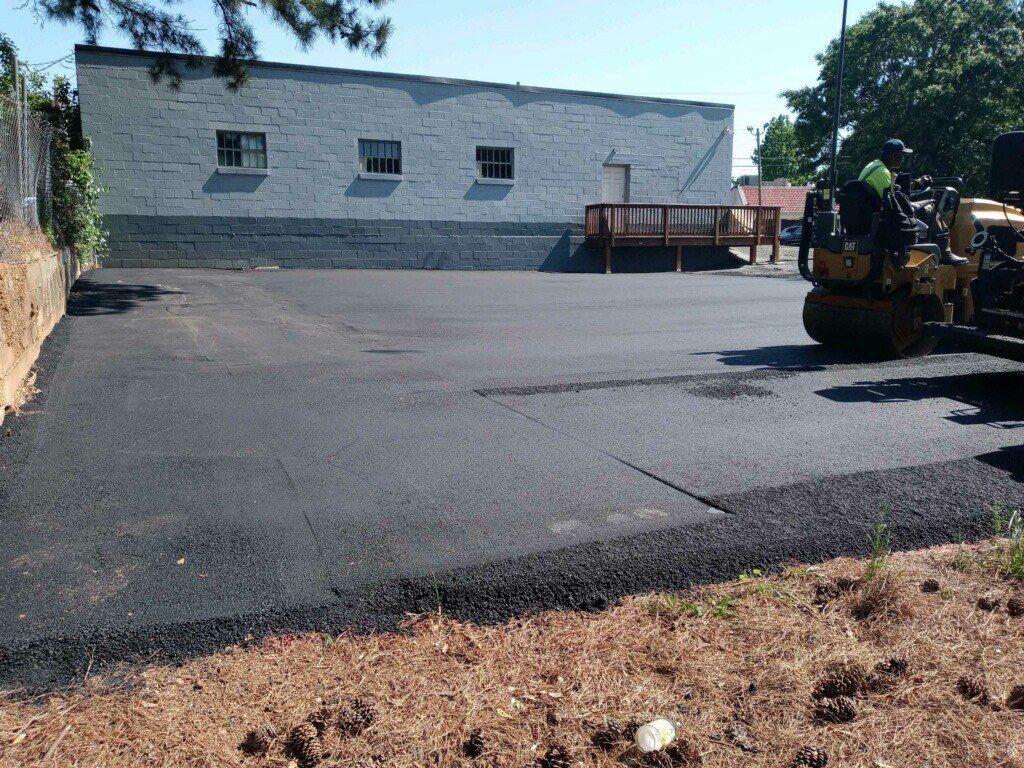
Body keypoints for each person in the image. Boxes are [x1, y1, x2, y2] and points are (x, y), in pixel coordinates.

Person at [859, 139, 967, 265]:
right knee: (932, 206)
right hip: (888, 215)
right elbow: (896, 198)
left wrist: (918, 183)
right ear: (894, 155)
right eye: (901, 156)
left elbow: (894, 190)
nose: (902, 159)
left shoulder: (875, 167)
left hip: (879, 212)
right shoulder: (881, 171)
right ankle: (945, 252)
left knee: (924, 205)